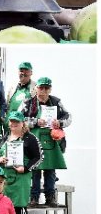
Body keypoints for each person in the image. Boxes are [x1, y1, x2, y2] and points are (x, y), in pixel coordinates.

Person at [0, 111, 42, 214]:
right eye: (12, 122)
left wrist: (26, 168)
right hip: (5, 177)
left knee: (19, 208)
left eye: (17, 122)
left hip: (21, 177)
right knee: (5, 208)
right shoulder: (4, 138)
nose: (14, 124)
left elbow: (38, 157)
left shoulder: (30, 138)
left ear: (22, 123)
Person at [21, 77, 71, 207]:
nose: (43, 91)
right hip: (34, 140)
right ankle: (34, 197)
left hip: (51, 140)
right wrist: (35, 122)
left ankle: (50, 197)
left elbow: (68, 117)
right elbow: (18, 119)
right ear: (36, 88)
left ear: (50, 89)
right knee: (35, 168)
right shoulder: (27, 103)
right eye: (41, 87)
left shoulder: (56, 102)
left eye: (46, 88)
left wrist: (59, 123)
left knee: (50, 168)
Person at [5, 62, 35, 136]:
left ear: (31, 73)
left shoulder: (36, 88)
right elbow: (7, 105)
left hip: (25, 127)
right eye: (21, 71)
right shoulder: (12, 87)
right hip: (10, 125)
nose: (23, 73)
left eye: (26, 71)